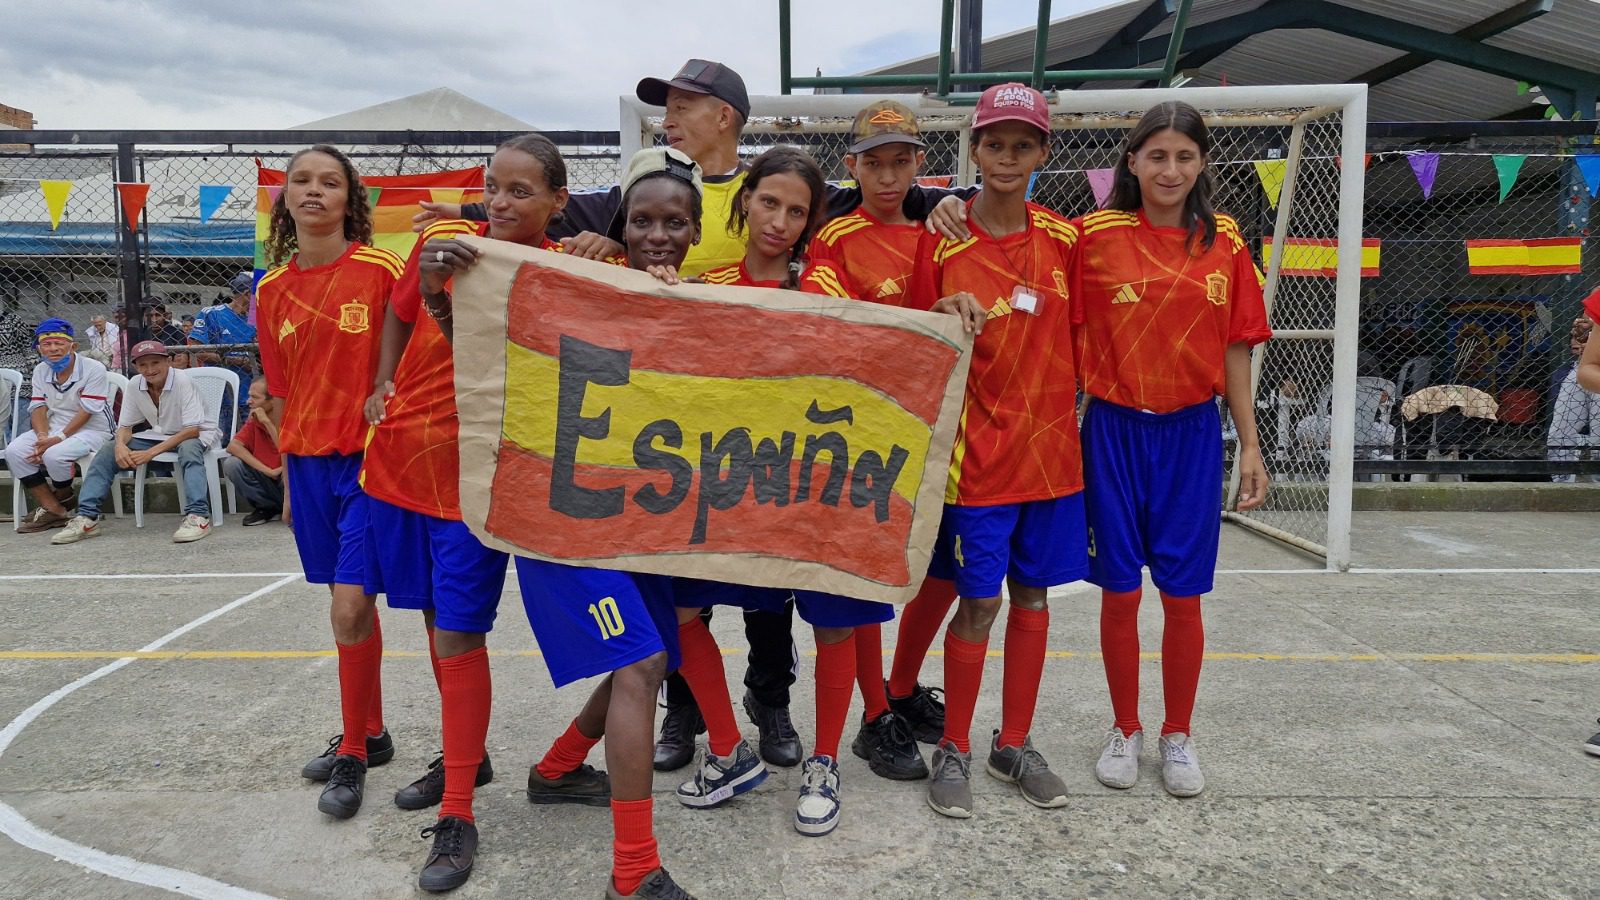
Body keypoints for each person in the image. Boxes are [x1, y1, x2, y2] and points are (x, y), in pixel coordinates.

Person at [419, 145, 703, 900]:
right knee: (624, 661)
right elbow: (478, 366)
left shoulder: (619, 274)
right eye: (642, 220)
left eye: (675, 222)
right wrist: (439, 298)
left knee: (650, 655)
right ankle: (623, 865)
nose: (658, 234)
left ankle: (557, 766)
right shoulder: (504, 264)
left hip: (632, 509)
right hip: (539, 498)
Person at [362, 134, 614, 892]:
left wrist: (614, 259)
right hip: (427, 470)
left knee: (619, 639)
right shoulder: (444, 247)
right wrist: (382, 384)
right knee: (446, 627)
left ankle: (499, 785)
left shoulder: (571, 265)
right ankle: (460, 789)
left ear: (558, 203)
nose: (501, 203)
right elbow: (400, 315)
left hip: (523, 482)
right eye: (492, 187)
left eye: (521, 191)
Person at [662, 146, 915, 837]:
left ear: (810, 222)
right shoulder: (707, 284)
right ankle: (726, 747)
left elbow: (876, 362)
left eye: (797, 210)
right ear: (745, 200)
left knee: (833, 621)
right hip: (730, 486)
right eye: (769, 202)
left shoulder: (828, 287)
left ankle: (825, 761)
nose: (779, 220)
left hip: (814, 490)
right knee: (681, 608)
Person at [1073, 100, 1272, 799]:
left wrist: (1249, 443)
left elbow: (1238, 346)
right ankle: (1125, 727)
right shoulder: (1092, 236)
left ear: (1203, 164)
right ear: (1131, 162)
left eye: (1184, 156)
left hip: (1191, 434)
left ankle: (1177, 733)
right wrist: (947, 209)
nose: (1170, 168)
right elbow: (1023, 252)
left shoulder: (1227, 243)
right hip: (1114, 431)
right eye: (1156, 155)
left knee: (1183, 598)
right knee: (1121, 593)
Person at [906, 83, 1087, 819]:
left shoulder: (1068, 239)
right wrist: (937, 305)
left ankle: (1013, 741)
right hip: (974, 456)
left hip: (1051, 458)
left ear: (1044, 152)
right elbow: (912, 333)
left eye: (1022, 144)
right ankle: (954, 745)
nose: (1007, 157)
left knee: (1036, 599)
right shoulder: (941, 236)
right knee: (978, 600)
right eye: (994, 144)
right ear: (973, 150)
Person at [255, 144, 414, 820]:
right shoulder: (270, 289)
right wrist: (291, 479)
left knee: (349, 606)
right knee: (350, 608)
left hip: (370, 462)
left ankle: (352, 751)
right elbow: (283, 392)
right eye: (301, 181)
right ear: (284, 198)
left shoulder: (381, 271)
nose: (314, 191)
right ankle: (371, 733)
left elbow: (407, 364)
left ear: (351, 199)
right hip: (310, 465)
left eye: (330, 182)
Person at [802, 99, 959, 757]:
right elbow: (832, 329)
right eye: (876, 163)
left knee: (947, 567)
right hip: (861, 432)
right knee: (864, 578)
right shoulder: (834, 239)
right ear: (853, 166)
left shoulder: (944, 232)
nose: (889, 176)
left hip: (936, 428)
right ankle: (874, 716)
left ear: (922, 163)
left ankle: (896, 686)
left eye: (901, 162)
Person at [53, 340, 218, 544]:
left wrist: (150, 453)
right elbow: (125, 427)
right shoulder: (134, 384)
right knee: (107, 450)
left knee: (189, 450)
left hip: (197, 433)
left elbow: (192, 430)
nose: (149, 369)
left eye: (155, 362)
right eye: (143, 365)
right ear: (136, 367)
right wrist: (120, 446)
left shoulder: (182, 380)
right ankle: (87, 518)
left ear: (168, 362)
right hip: (161, 434)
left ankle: (198, 517)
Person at [6, 319, 111, 533]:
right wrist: (43, 436)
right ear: (39, 348)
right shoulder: (40, 370)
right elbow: (38, 408)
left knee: (54, 455)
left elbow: (87, 411)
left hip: (94, 429)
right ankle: (56, 510)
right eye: (47, 344)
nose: (53, 349)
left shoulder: (94, 369)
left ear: (73, 346)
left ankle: (61, 499)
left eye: (59, 343)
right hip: (54, 428)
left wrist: (56, 440)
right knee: (14, 451)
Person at [190, 272, 259, 416]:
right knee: (222, 435)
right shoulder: (212, 314)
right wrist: (238, 361)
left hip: (251, 393)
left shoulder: (257, 319)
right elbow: (197, 350)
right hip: (220, 391)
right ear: (247, 294)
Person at [224, 379, 283, 526]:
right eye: (250, 396)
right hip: (268, 476)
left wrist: (267, 423)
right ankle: (267, 508)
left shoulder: (287, 418)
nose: (248, 401)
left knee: (290, 473)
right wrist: (268, 471)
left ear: (273, 401)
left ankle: (292, 509)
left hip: (286, 479)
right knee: (232, 464)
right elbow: (233, 446)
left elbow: (285, 449)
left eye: (255, 397)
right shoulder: (254, 419)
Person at [1546, 316, 1598, 482]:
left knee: (1598, 441)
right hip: (1584, 367)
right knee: (1559, 434)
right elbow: (1587, 321)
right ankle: (1563, 486)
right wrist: (1584, 329)